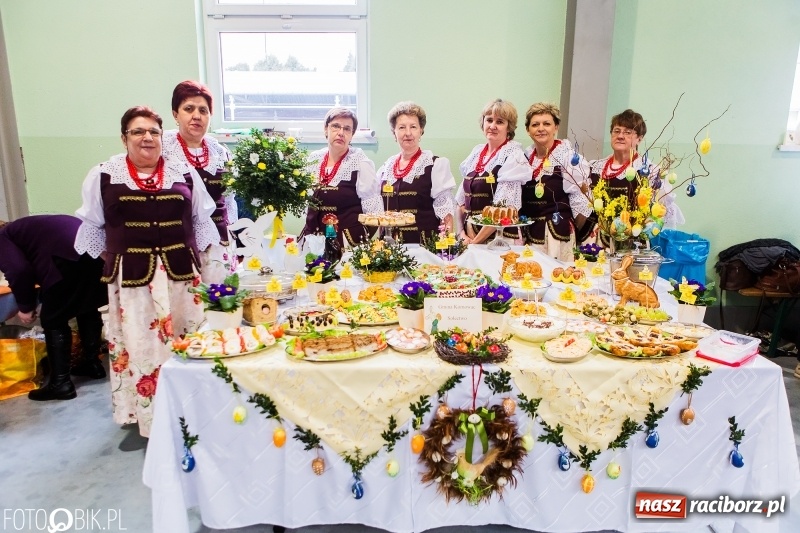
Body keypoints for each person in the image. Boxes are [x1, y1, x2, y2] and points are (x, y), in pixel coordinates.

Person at [75, 106, 219, 437]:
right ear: (124, 137)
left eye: (154, 132)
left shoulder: (183, 173)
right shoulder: (104, 175)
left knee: (188, 344)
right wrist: (118, 261)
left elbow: (201, 222)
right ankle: (152, 422)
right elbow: (93, 229)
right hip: (134, 283)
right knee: (142, 348)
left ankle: (194, 415)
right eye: (138, 132)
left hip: (181, 278)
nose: (147, 138)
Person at [0, 215, 108, 401]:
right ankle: (92, 364)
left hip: (65, 259)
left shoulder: (3, 237)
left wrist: (25, 306)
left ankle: (61, 384)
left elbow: (19, 271)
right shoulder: (25, 227)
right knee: (86, 308)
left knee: (53, 319)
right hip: (96, 255)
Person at [162, 80, 238, 284]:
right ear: (175, 114)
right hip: (178, 245)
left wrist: (229, 233)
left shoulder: (220, 153)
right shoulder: (162, 150)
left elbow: (230, 199)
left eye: (203, 110)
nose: (197, 115)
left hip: (218, 243)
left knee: (220, 304)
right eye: (189, 109)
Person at [578, 109, 683, 243]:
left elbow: (660, 215)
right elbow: (581, 209)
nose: (620, 136)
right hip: (593, 242)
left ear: (639, 138)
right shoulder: (594, 167)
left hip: (631, 243)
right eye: (616, 131)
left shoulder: (651, 172)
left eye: (628, 132)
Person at [514, 102, 590, 262]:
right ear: (528, 130)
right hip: (528, 235)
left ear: (556, 127)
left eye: (547, 124)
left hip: (556, 236)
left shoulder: (568, 158)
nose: (541, 128)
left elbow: (582, 205)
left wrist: (568, 230)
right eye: (535, 124)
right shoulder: (523, 158)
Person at [299, 107, 382, 247]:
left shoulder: (360, 163)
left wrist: (355, 241)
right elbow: (305, 204)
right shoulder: (314, 160)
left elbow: (374, 214)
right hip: (314, 240)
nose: (341, 133)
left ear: (352, 134)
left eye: (347, 129)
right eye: (336, 126)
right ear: (326, 129)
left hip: (347, 244)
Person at [376, 102, 456, 244]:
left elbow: (446, 215)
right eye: (401, 127)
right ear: (394, 132)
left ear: (421, 131)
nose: (408, 133)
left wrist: (446, 249)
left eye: (413, 127)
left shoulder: (435, 165)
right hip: (388, 250)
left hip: (423, 249)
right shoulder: (385, 168)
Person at [456, 99, 531, 245]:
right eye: (489, 120)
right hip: (469, 237)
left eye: (500, 122)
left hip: (499, 239)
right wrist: (461, 234)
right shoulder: (476, 153)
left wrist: (475, 243)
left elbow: (501, 210)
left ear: (509, 128)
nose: (492, 126)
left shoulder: (513, 155)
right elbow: (460, 201)